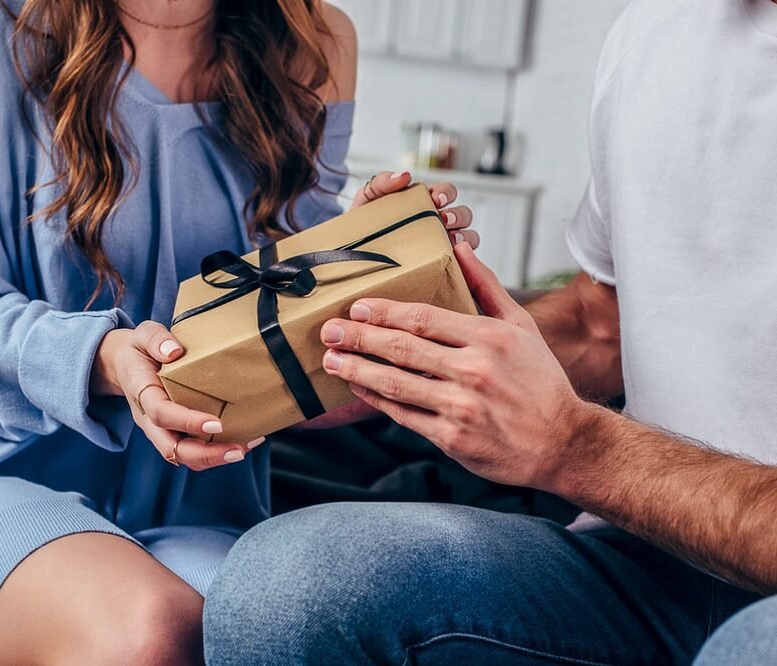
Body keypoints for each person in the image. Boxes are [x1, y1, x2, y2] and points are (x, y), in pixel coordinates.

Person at [0, 1, 481, 663]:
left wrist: (363, 268)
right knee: (152, 630)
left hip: (198, 497)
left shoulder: (315, 42)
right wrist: (110, 361)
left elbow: (280, 333)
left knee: (276, 633)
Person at [203, 0, 777, 663]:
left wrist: (580, 448)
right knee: (283, 585)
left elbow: (584, 434)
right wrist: (410, 354)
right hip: (643, 562)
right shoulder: (658, 30)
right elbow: (604, 326)